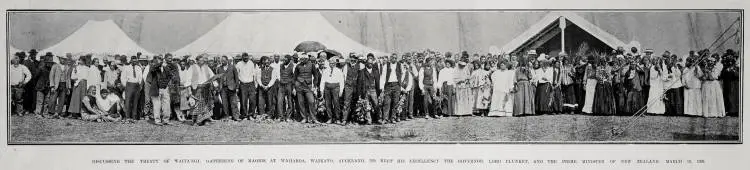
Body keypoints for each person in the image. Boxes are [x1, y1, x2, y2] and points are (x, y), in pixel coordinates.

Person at [147, 56, 179, 125]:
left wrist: (166, 82)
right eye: (159, 59)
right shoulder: (152, 66)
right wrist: (160, 63)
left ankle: (166, 120)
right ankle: (157, 120)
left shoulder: (165, 67)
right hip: (156, 88)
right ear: (155, 60)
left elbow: (170, 75)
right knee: (157, 105)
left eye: (162, 59)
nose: (161, 60)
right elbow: (153, 69)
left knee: (166, 104)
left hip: (164, 88)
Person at [191, 55, 218, 126]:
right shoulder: (192, 67)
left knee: (206, 105)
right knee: (197, 105)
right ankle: (197, 121)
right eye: (201, 60)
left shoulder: (206, 67)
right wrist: (189, 90)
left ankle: (206, 120)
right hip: (197, 88)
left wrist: (215, 84)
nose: (203, 61)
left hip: (206, 88)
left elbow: (212, 76)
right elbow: (188, 78)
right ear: (197, 61)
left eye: (203, 60)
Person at [294, 52, 320, 124]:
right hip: (299, 86)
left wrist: (314, 86)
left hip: (308, 86)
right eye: (301, 59)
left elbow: (316, 76)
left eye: (303, 59)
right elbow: (295, 77)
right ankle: (304, 118)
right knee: (301, 102)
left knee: (311, 101)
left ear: (307, 58)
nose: (302, 60)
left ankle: (313, 118)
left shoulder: (312, 65)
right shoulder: (298, 66)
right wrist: (294, 87)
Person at [215, 55, 241, 121]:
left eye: (224, 60)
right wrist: (218, 87)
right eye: (221, 60)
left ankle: (236, 116)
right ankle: (226, 116)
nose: (222, 62)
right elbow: (217, 78)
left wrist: (237, 87)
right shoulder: (219, 68)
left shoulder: (232, 67)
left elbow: (236, 78)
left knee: (234, 102)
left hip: (232, 87)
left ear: (227, 60)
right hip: (223, 88)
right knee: (224, 103)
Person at [320, 57, 344, 124]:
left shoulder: (338, 71)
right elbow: (322, 81)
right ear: (329, 64)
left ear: (335, 64)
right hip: (327, 88)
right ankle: (330, 118)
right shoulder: (325, 71)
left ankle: (337, 118)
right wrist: (321, 90)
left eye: (333, 63)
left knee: (336, 103)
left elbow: (341, 81)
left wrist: (341, 90)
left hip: (336, 88)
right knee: (328, 103)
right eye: (330, 63)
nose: (332, 64)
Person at [379, 54, 403, 123]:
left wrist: (401, 85)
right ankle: (385, 118)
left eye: (395, 58)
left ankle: (393, 118)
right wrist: (382, 87)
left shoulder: (399, 65)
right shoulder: (386, 65)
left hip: (396, 85)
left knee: (395, 102)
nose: (394, 59)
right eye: (393, 58)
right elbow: (383, 76)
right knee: (387, 102)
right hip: (388, 85)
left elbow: (403, 74)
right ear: (390, 58)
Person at [358, 53, 381, 124]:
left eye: (371, 63)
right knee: (366, 105)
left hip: (373, 90)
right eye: (368, 63)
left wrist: (378, 92)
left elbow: (378, 82)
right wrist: (359, 93)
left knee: (376, 105)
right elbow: (359, 83)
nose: (370, 64)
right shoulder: (362, 71)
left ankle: (379, 119)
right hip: (365, 90)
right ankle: (369, 120)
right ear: (366, 63)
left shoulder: (376, 71)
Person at [119, 56, 143, 120]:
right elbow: (122, 77)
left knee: (135, 102)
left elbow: (140, 77)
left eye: (135, 61)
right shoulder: (126, 67)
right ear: (131, 61)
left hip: (136, 85)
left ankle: (134, 117)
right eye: (133, 61)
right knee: (128, 101)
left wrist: (140, 85)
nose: (134, 62)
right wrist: (125, 85)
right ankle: (127, 117)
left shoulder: (138, 68)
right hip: (129, 84)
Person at [236, 53, 259, 120]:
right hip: (243, 84)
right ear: (242, 57)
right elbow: (237, 75)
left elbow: (254, 74)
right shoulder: (239, 64)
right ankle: (244, 115)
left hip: (251, 83)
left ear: (248, 57)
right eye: (244, 58)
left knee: (252, 100)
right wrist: (238, 86)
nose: (246, 59)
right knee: (243, 100)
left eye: (247, 58)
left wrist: (255, 84)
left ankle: (251, 114)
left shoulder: (251, 63)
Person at [258, 56, 280, 120]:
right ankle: (262, 115)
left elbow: (273, 79)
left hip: (269, 87)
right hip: (262, 87)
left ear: (270, 62)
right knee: (261, 102)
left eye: (268, 62)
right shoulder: (260, 69)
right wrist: (262, 85)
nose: (266, 63)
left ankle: (269, 115)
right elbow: (258, 78)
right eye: (265, 62)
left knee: (270, 101)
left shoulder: (273, 69)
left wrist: (268, 86)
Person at [341, 54, 361, 124]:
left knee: (355, 103)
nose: (353, 61)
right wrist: (344, 87)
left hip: (356, 87)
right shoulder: (346, 66)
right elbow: (343, 77)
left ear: (356, 60)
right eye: (351, 59)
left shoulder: (359, 66)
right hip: (348, 87)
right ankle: (344, 119)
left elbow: (360, 78)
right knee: (346, 103)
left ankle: (353, 119)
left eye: (354, 60)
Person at [719, 50, 739, 117]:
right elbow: (722, 75)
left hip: (733, 82)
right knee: (727, 95)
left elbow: (737, 74)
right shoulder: (725, 66)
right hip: (726, 82)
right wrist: (726, 70)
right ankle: (729, 110)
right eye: (728, 56)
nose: (729, 57)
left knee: (733, 96)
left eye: (730, 56)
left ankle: (734, 111)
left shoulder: (736, 65)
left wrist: (733, 70)